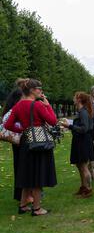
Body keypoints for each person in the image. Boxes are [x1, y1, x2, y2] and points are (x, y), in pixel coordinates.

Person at [5, 78, 58, 216]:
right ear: (32, 90)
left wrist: (24, 130)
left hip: (25, 143)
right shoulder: (38, 105)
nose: (41, 91)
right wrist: (47, 105)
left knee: (27, 174)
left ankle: (22, 206)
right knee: (37, 175)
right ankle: (37, 208)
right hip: (38, 142)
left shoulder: (17, 105)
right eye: (39, 89)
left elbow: (8, 125)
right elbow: (53, 121)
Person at [61, 92, 94, 198]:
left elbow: (84, 129)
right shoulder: (82, 111)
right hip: (80, 141)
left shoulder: (83, 112)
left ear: (79, 99)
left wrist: (70, 126)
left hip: (83, 141)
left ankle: (88, 189)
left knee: (84, 166)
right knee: (79, 164)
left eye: (74, 97)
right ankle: (83, 187)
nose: (73, 99)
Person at [1, 88, 24, 202]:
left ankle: (19, 194)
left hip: (15, 141)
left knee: (18, 167)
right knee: (22, 168)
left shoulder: (8, 110)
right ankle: (23, 195)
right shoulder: (15, 110)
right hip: (19, 141)